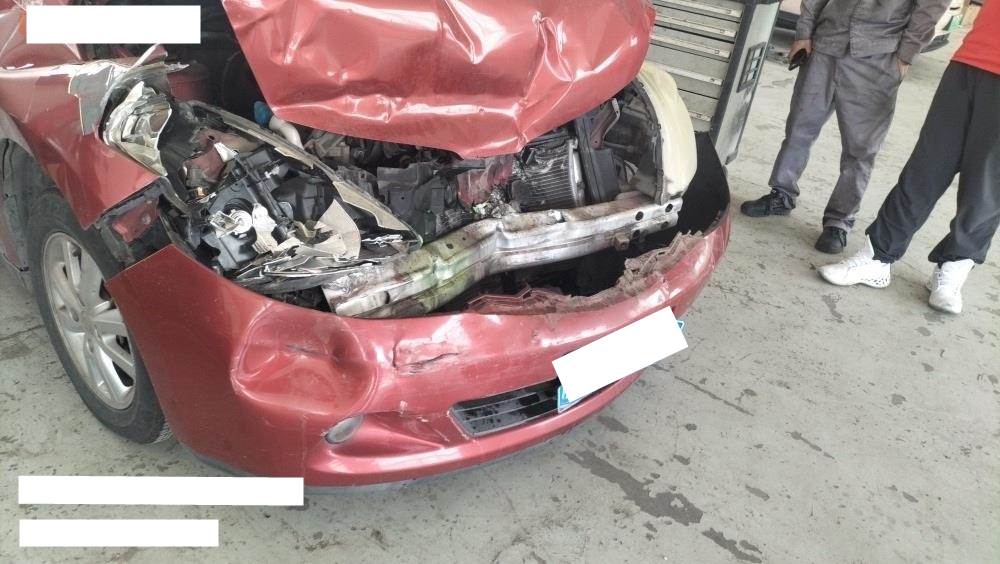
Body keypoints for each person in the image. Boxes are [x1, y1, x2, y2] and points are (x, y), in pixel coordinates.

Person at [818, 0, 999, 314]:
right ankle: (878, 256)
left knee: (986, 185)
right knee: (926, 167)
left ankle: (955, 266)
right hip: (969, 61)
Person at [741, 0, 952, 254]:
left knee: (860, 149)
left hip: (878, 57)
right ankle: (781, 194)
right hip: (825, 44)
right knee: (798, 129)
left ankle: (839, 221)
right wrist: (804, 33)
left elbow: (932, 6)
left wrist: (906, 54)